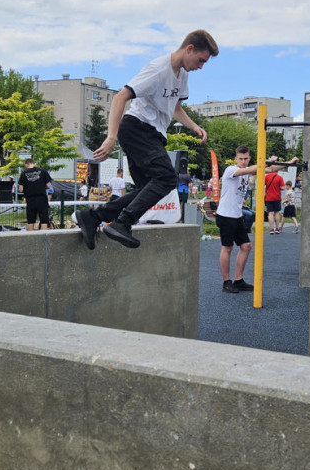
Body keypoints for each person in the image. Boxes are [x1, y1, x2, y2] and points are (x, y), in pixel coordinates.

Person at [76, 29, 218, 250]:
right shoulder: (158, 69)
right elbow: (120, 97)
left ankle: (93, 218)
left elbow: (176, 107)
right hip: (137, 127)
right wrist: (110, 137)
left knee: (145, 188)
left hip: (153, 133)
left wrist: (194, 126)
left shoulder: (183, 74)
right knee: (166, 178)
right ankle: (122, 222)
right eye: (201, 60)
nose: (201, 67)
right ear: (189, 49)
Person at [216, 148, 273, 293]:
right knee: (227, 248)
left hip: (236, 215)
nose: (243, 161)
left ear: (249, 158)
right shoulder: (231, 170)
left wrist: (288, 163)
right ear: (236, 158)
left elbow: (269, 169)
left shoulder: (248, 169)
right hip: (225, 216)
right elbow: (247, 170)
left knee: (246, 246)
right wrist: (265, 163)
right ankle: (226, 282)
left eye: (245, 158)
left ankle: (239, 280)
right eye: (240, 158)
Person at [18, 159, 53, 230]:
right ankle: (43, 237)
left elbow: (20, 189)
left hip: (30, 199)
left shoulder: (23, 173)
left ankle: (31, 238)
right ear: (34, 163)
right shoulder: (43, 171)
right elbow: (49, 186)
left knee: (30, 220)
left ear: (26, 164)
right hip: (42, 198)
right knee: (44, 220)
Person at [263, 163, 287, 234]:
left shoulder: (266, 177)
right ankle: (277, 228)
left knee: (270, 213)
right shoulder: (279, 178)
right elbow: (282, 188)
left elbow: (262, 185)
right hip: (277, 197)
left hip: (268, 198)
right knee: (277, 212)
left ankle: (271, 229)